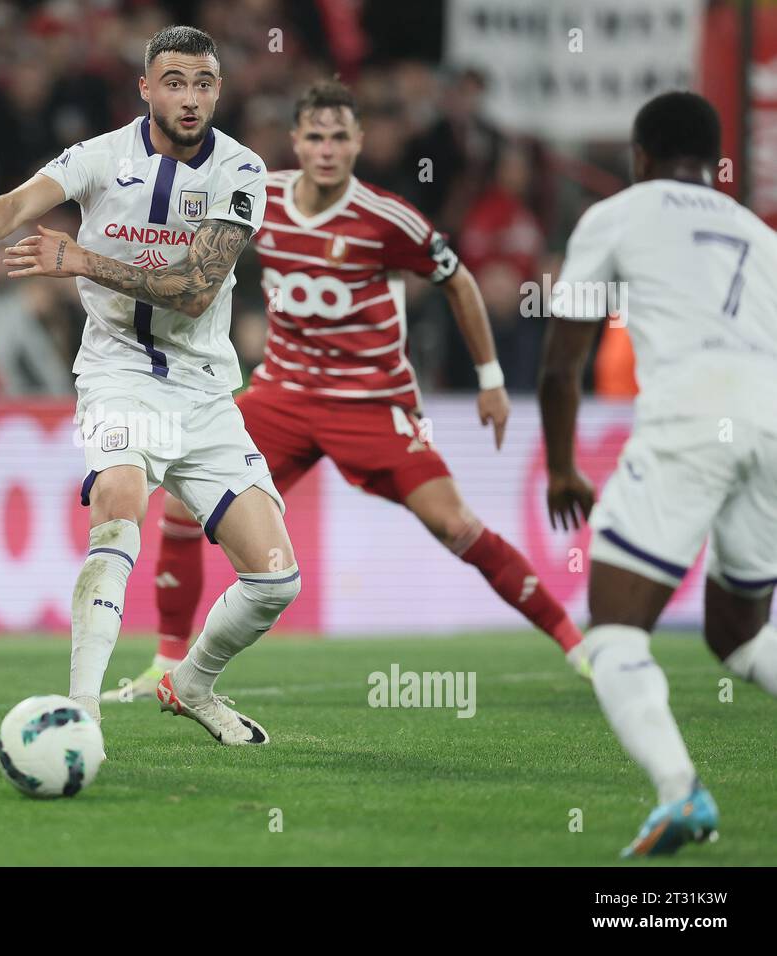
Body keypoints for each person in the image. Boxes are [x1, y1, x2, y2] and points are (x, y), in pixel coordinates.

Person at [111, 78, 585, 702]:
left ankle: (580, 649)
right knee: (176, 505)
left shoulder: (388, 219)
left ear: (358, 142)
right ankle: (165, 661)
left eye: (339, 137)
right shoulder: (261, 197)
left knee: (454, 523)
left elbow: (460, 282)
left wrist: (491, 379)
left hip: (369, 403)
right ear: (296, 143)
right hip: (281, 395)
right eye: (315, 137)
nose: (327, 149)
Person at [0, 25, 296, 745]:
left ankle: (190, 682)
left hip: (206, 390)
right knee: (120, 503)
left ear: (219, 91)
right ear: (146, 88)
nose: (190, 99)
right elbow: (22, 200)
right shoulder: (101, 156)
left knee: (277, 581)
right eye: (175, 83)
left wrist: (82, 261)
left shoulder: (242, 172)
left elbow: (192, 290)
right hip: (119, 373)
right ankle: (81, 713)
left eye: (204, 84)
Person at [539, 91, 777, 856]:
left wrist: (565, 466)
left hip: (689, 422)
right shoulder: (758, 233)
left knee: (613, 632)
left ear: (640, 156)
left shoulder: (617, 214)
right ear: (714, 163)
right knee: (739, 634)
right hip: (772, 426)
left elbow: (561, 363)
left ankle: (681, 793)